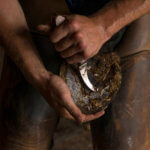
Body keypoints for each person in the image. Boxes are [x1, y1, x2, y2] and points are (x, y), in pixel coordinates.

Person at [0, 0, 150, 149]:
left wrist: (104, 25)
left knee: (125, 143)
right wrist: (40, 77)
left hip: (129, 16)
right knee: (20, 138)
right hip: (38, 21)